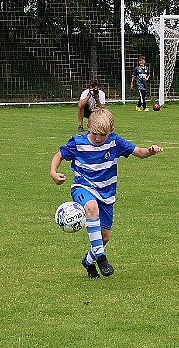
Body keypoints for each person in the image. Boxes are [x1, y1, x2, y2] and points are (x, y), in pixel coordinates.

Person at [50, 107, 163, 278]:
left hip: (107, 194)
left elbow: (139, 152)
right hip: (83, 187)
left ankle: (88, 261)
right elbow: (59, 155)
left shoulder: (115, 142)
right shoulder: (77, 142)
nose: (98, 138)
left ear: (111, 131)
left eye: (103, 135)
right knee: (91, 206)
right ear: (88, 126)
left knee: (105, 237)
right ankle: (101, 257)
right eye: (95, 133)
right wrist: (53, 172)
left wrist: (150, 151)